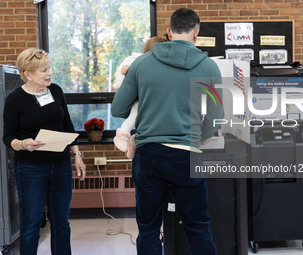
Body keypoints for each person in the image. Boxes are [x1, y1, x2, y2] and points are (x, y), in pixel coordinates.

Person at [111, 8, 224, 255]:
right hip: (188, 155)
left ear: (170, 32)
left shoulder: (141, 64)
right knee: (198, 227)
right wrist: (200, 136)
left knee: (149, 228)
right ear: (196, 34)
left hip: (149, 155)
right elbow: (215, 119)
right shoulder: (209, 67)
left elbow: (119, 109)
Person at [2, 48, 86, 255]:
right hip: (30, 169)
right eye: (43, 70)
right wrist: (23, 144)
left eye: (49, 68)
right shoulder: (15, 99)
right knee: (30, 225)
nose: (49, 73)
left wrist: (77, 156)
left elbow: (67, 125)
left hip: (61, 166)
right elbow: (8, 137)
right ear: (27, 74)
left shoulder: (55, 91)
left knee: (62, 223)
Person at [113, 36, 168, 159]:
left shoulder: (161, 66)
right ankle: (123, 133)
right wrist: (124, 71)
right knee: (136, 112)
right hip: (140, 99)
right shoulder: (138, 63)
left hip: (151, 108)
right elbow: (122, 76)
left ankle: (133, 140)